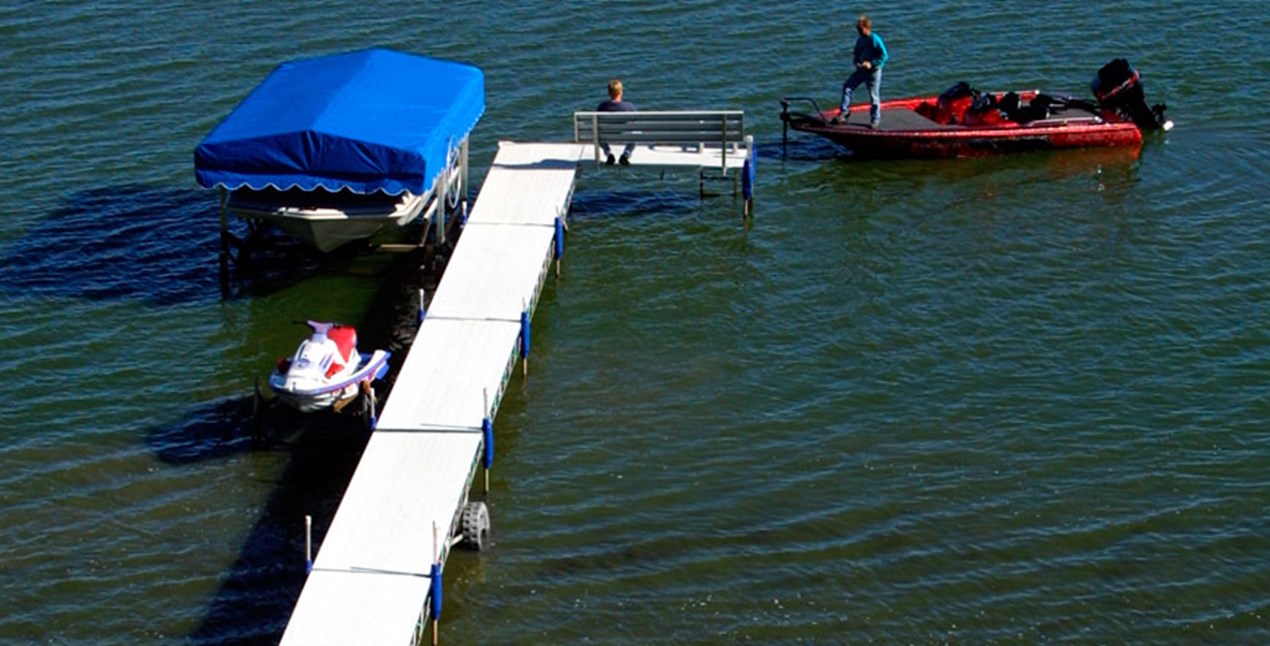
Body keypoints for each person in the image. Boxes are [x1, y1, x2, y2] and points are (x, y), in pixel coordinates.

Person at [834, 15, 888, 129]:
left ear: (867, 28)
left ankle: (875, 119)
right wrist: (857, 62)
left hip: (873, 72)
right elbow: (857, 53)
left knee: (874, 96)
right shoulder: (860, 40)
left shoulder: (875, 39)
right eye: (858, 29)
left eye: (860, 29)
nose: (859, 31)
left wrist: (872, 63)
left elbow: (884, 56)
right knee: (847, 87)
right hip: (862, 69)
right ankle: (844, 112)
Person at [596, 78, 637, 165]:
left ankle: (608, 153)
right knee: (637, 132)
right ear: (620, 92)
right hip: (624, 135)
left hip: (607, 135)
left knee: (597, 133)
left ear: (609, 93)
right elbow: (635, 121)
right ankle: (626, 154)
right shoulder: (629, 106)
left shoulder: (602, 106)